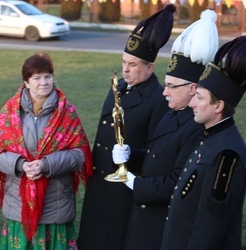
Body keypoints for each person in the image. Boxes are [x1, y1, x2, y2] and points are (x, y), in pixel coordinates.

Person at [111, 9, 219, 250]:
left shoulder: (195, 127)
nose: (164, 91)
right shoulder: (172, 111)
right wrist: (132, 154)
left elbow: (178, 181)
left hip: (162, 222)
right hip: (144, 218)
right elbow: (156, 154)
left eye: (171, 86)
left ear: (193, 89)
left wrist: (134, 183)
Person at [77, 4, 175, 249]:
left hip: (124, 188)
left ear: (150, 67)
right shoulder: (119, 86)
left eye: (132, 64)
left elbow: (156, 152)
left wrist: (131, 158)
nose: (125, 69)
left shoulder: (158, 99)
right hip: (100, 180)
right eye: (123, 62)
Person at [0, 52, 93, 249]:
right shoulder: (10, 111)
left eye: (48, 76)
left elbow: (80, 154)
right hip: (18, 206)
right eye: (37, 77)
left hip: (55, 206)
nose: (44, 82)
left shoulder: (66, 112)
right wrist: (20, 165)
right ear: (26, 82)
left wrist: (47, 164)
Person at [161, 36, 246, 250]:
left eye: (199, 97)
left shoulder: (228, 154)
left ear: (218, 106)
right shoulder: (210, 137)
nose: (191, 103)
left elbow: (210, 228)